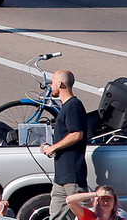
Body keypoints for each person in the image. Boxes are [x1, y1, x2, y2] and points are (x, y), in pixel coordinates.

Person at [44, 69, 89, 220]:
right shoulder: (65, 107)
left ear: (60, 83)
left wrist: (53, 147)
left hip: (73, 178)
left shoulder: (73, 105)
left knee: (85, 215)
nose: (50, 86)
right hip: (61, 177)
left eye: (52, 82)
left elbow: (77, 134)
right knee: (55, 216)